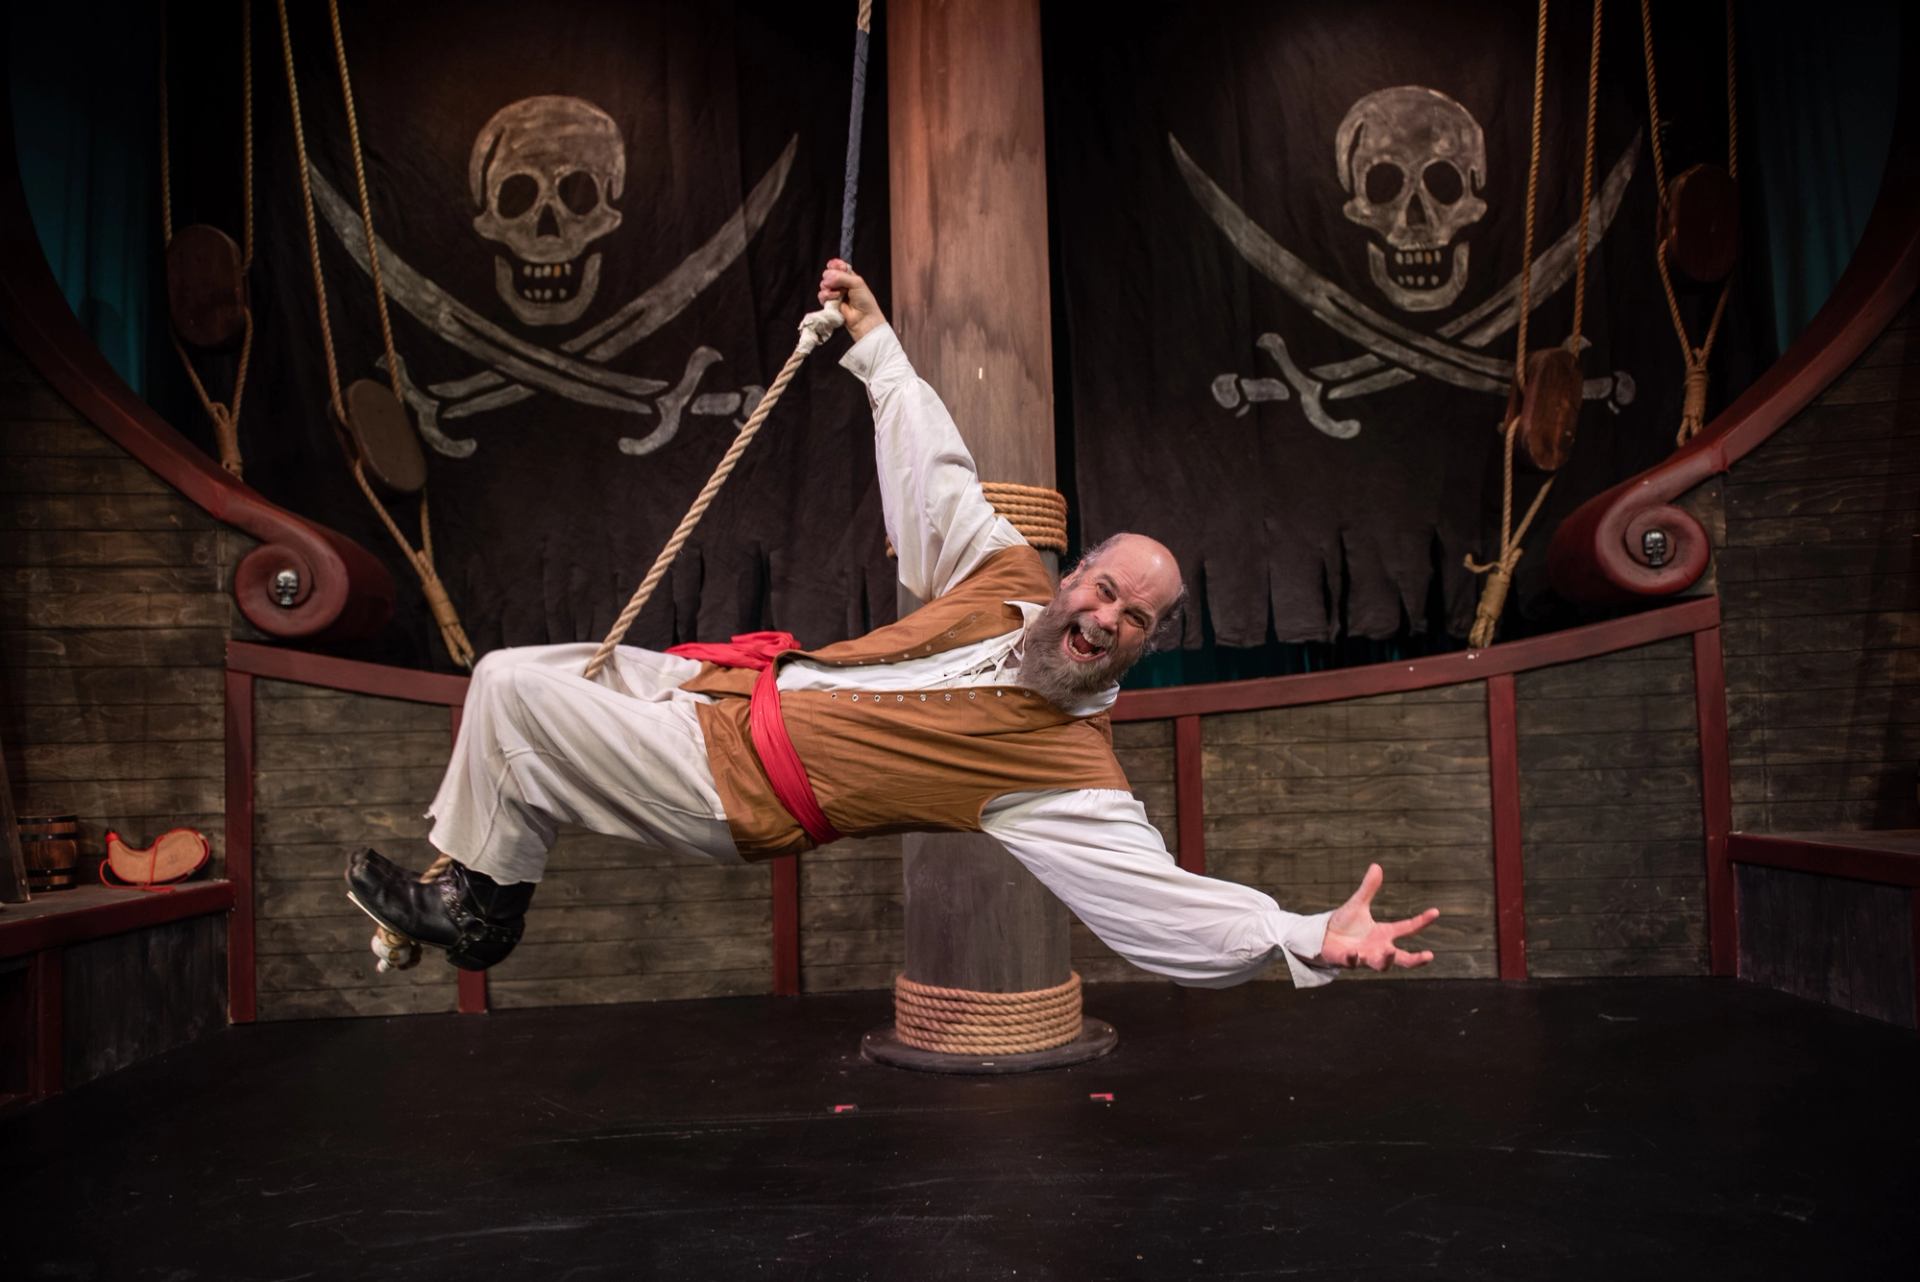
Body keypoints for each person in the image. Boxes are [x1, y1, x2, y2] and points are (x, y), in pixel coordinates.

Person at [346, 260, 1439, 985]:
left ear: (1146, 646)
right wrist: (872, 342)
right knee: (529, 673)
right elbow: (935, 471)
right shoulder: (1005, 573)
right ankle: (472, 885)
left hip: (730, 785)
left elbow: (1161, 906)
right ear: (1074, 576)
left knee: (510, 693)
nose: (1106, 617)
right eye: (1104, 589)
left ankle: (479, 911)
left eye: (1135, 618)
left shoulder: (1067, 772)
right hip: (722, 695)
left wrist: (1306, 934)